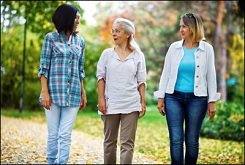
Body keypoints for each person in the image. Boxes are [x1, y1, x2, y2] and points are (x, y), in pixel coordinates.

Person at [154, 13, 221, 164]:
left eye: (184, 26)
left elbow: (211, 75)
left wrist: (212, 101)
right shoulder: (174, 48)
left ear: (193, 27)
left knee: (192, 140)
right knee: (176, 139)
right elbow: (166, 73)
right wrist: (160, 98)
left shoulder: (207, 49)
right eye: (180, 26)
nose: (181, 29)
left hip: (197, 99)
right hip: (173, 98)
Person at [37, 4, 87, 164]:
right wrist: (44, 92)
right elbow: (43, 68)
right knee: (53, 134)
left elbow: (80, 70)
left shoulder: (80, 41)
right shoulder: (50, 38)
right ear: (66, 18)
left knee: (65, 134)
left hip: (73, 93)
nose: (78, 20)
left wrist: (82, 92)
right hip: (53, 93)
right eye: (76, 17)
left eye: (79, 17)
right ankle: (51, 162)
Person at [96, 18, 147, 164]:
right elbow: (101, 77)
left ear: (127, 33)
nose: (113, 34)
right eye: (112, 31)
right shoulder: (107, 54)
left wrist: (142, 102)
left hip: (131, 103)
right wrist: (101, 99)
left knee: (127, 143)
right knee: (109, 142)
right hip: (110, 103)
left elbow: (141, 81)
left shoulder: (138, 55)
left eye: (117, 31)